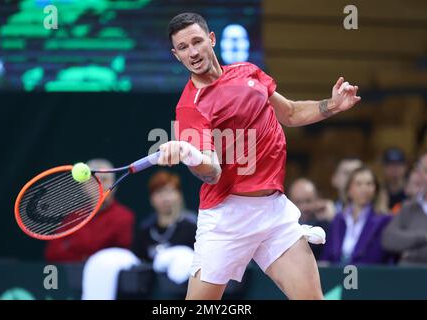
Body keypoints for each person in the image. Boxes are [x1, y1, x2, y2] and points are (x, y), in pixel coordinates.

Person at [157, 12, 361, 300]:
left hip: (273, 212)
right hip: (227, 218)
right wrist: (188, 152)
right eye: (183, 48)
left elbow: (289, 112)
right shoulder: (191, 106)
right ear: (176, 55)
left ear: (211, 39)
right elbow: (211, 171)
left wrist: (333, 105)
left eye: (197, 41)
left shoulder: (248, 72)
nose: (192, 52)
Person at [45, 159, 135, 263]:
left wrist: (82, 256)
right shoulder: (74, 216)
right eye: (93, 180)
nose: (100, 184)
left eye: (104, 179)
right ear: (85, 187)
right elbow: (52, 252)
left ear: (114, 184)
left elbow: (119, 257)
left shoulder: (124, 216)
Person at [320, 166, 393, 265]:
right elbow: (327, 254)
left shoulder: (384, 220)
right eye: (359, 184)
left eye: (369, 184)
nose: (364, 188)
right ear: (349, 189)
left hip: (367, 275)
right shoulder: (338, 219)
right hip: (337, 276)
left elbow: (377, 256)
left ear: (375, 190)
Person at [131, 170, 197, 263]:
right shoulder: (145, 231)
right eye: (159, 192)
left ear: (179, 195)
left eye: (169, 191)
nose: (165, 198)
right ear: (151, 199)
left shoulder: (192, 227)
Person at [381, 152, 427, 265]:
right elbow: (388, 239)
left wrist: (408, 243)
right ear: (419, 175)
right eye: (425, 171)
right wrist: (424, 237)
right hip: (408, 276)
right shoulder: (409, 207)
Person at [288, 178, 334, 260]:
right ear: (290, 202)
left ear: (317, 199)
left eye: (308, 201)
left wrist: (332, 220)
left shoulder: (328, 227)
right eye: (298, 202)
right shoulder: (283, 229)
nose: (304, 207)